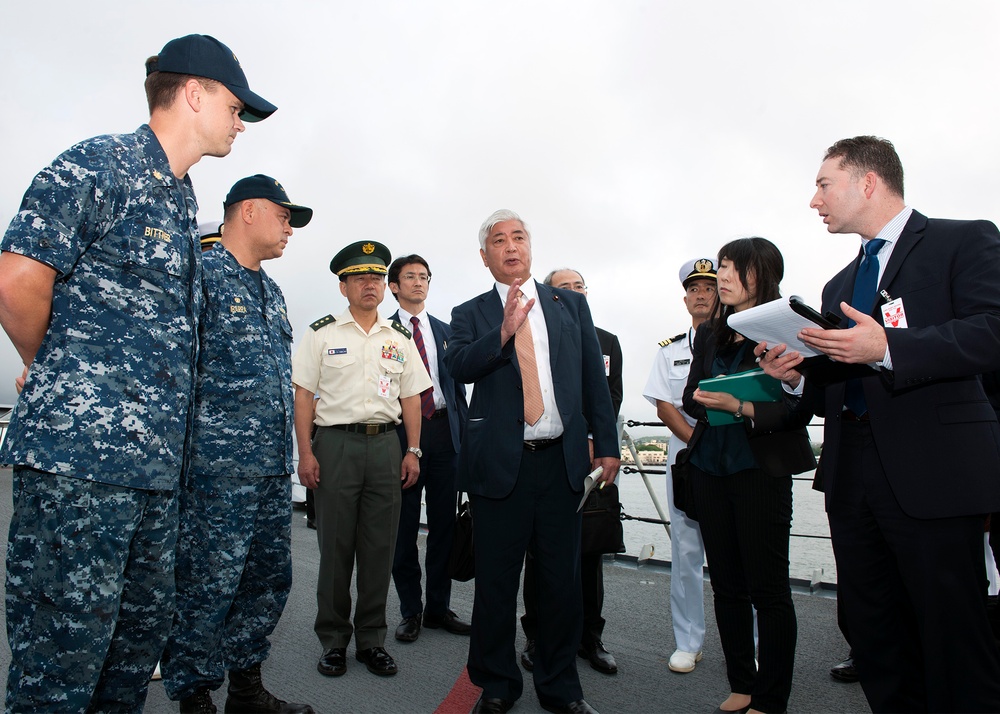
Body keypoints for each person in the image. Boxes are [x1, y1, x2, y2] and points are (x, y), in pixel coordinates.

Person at [0, 34, 274, 712]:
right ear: (194, 94)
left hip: (155, 478)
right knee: (60, 664)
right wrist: (50, 366)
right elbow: (16, 282)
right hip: (83, 469)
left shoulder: (182, 203)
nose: (241, 123)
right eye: (237, 108)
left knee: (127, 659)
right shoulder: (103, 164)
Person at [757, 135, 1000, 713]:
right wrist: (795, 376)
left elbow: (991, 331)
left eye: (822, 184)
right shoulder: (837, 288)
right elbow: (839, 381)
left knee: (952, 636)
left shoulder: (963, 240)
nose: (813, 200)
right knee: (873, 630)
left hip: (935, 475)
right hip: (853, 477)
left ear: (867, 182)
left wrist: (886, 345)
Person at [445, 210, 620, 714]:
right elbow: (458, 366)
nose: (510, 246)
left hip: (560, 464)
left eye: (518, 236)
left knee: (561, 585)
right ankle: (498, 685)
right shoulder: (470, 312)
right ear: (485, 257)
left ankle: (561, 687)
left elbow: (593, 380)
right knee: (496, 585)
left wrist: (606, 444)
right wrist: (501, 332)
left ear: (530, 246)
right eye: (498, 240)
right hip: (502, 467)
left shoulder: (570, 307)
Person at [160, 175, 314, 714]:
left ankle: (246, 689)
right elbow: (173, 376)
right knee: (206, 584)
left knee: (267, 580)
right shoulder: (198, 277)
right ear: (248, 211)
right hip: (213, 473)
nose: (289, 228)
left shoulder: (272, 292)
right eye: (284, 215)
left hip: (271, 471)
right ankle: (194, 696)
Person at [682, 237, 816, 714]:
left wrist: (743, 402)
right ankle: (742, 682)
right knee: (727, 585)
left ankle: (770, 696)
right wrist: (706, 397)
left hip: (760, 470)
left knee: (770, 590)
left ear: (762, 273)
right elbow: (688, 399)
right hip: (708, 467)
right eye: (720, 266)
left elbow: (800, 409)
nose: (722, 276)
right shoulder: (709, 332)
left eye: (733, 267)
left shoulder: (789, 327)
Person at [292, 241, 431, 679]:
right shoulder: (322, 333)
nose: (369, 284)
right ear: (343, 286)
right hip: (335, 446)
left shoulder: (398, 339)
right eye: (360, 278)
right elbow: (303, 397)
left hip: (386, 447)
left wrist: (412, 451)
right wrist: (306, 452)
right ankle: (333, 640)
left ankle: (372, 640)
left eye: (375, 277)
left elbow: (411, 397)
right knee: (335, 549)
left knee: (379, 550)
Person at [519, 268, 623, 676]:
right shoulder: (536, 334)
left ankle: (589, 637)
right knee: (539, 553)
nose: (575, 293)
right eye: (565, 288)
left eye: (580, 287)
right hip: (547, 455)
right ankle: (536, 634)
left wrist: (598, 440)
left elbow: (609, 394)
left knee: (589, 551)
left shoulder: (607, 342)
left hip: (589, 459)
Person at [386, 254, 471, 643]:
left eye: (424, 277)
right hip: (402, 439)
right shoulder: (382, 333)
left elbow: (457, 389)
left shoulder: (445, 330)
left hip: (444, 436)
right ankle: (410, 610)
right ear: (394, 287)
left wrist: (466, 438)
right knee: (403, 530)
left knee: (444, 529)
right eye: (410, 277)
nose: (418, 283)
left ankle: (438, 608)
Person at [642, 257, 716, 675]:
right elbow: (664, 405)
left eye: (709, 287)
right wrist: (698, 443)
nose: (701, 294)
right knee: (686, 551)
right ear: (685, 296)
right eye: (694, 288)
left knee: (737, 552)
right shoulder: (669, 352)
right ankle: (688, 641)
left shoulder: (737, 341)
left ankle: (754, 643)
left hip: (731, 455)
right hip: (686, 457)